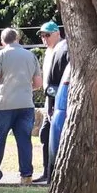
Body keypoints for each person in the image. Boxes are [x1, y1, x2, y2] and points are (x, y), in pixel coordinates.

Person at [0, 26, 39, 185]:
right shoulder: (31, 55)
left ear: (2, 41)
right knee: (24, 141)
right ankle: (26, 175)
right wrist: (24, 87)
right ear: (18, 39)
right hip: (26, 104)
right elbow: (38, 83)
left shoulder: (0, 55)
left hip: (3, 104)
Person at [38, 20, 69, 182]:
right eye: (42, 35)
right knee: (45, 136)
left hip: (58, 101)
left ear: (57, 33)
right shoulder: (50, 51)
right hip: (51, 100)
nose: (44, 38)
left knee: (49, 135)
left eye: (47, 35)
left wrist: (51, 106)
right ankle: (46, 171)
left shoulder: (61, 50)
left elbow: (54, 82)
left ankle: (51, 173)